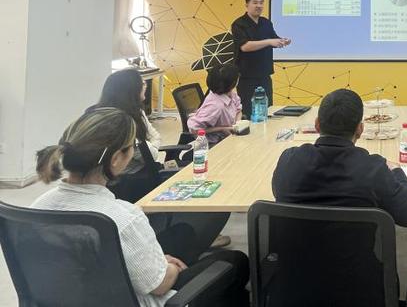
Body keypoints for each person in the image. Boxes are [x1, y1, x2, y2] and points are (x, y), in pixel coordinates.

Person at [32, 108, 250, 307]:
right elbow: (160, 285)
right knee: (235, 261)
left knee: (183, 233)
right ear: (116, 159)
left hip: (77, 294)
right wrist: (168, 268)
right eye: (132, 147)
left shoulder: (37, 209)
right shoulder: (124, 218)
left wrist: (158, 261)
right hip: (145, 299)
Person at [272, 89, 407, 305]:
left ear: (317, 125)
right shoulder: (373, 169)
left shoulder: (289, 160)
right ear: (360, 129)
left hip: (292, 291)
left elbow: (280, 194)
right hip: (359, 293)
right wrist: (397, 171)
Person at [93, 69, 232, 250]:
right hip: (135, 179)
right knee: (205, 182)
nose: (145, 87)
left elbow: (154, 139)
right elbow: (147, 152)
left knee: (201, 171)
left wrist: (148, 143)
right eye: (142, 84)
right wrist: (148, 143)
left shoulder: (136, 112)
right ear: (131, 90)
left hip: (147, 169)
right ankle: (202, 233)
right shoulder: (118, 121)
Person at [231, 0, 291, 119]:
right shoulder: (239, 24)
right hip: (247, 76)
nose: (259, 6)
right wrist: (269, 42)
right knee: (248, 112)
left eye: (261, 3)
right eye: (255, 3)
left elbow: (274, 39)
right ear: (247, 5)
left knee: (267, 110)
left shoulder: (266, 22)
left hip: (265, 74)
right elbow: (245, 46)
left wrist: (282, 41)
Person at [188, 64, 242, 147]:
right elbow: (194, 130)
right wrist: (222, 128)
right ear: (234, 83)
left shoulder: (231, 94)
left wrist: (237, 124)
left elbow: (239, 110)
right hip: (213, 145)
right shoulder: (216, 106)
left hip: (228, 137)